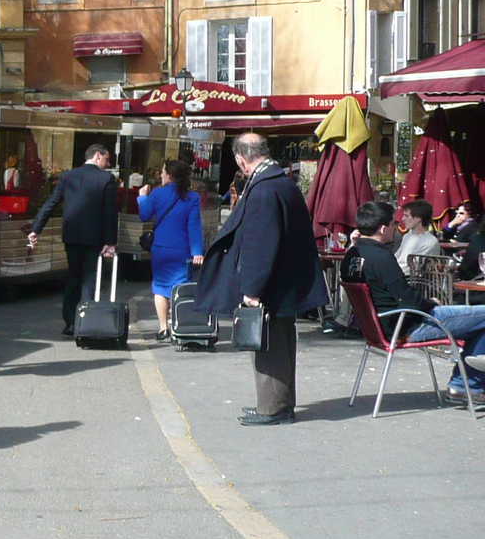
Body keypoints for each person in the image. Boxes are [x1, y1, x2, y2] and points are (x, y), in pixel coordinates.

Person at [194, 133, 328, 426]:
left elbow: (261, 243)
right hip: (285, 280)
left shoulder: (265, 189)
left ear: (241, 160)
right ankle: (280, 404)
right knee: (278, 344)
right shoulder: (281, 182)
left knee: (267, 347)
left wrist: (252, 290)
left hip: (273, 284)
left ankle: (273, 408)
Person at [341, 200, 485, 402]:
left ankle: (465, 384)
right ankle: (465, 385)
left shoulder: (351, 256)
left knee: (478, 322)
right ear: (383, 228)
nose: (396, 227)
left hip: (377, 327)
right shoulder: (381, 258)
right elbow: (409, 300)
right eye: (393, 223)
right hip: (406, 326)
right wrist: (432, 303)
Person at [27, 143, 119, 336]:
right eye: (107, 158)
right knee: (90, 278)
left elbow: (52, 203)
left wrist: (36, 228)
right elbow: (110, 213)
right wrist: (110, 241)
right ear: (97, 156)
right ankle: (85, 321)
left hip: (71, 235)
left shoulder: (68, 176)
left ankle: (70, 322)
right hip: (95, 237)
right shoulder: (107, 179)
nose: (108, 163)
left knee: (74, 277)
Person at [138, 160, 205, 339]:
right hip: (182, 251)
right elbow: (194, 226)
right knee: (180, 289)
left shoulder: (157, 194)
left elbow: (144, 216)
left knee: (160, 287)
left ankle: (162, 327)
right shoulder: (192, 198)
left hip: (160, 249)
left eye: (163, 172)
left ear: (170, 175)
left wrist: (142, 197)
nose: (160, 175)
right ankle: (178, 325)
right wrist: (197, 251)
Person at [394, 199, 442, 274]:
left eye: (407, 216)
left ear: (418, 218)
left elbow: (414, 269)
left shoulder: (429, 242)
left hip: (412, 281)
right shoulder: (408, 236)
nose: (403, 219)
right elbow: (396, 258)